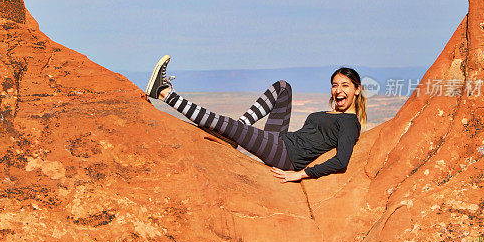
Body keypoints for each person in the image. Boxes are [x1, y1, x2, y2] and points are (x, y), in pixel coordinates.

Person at [145, 56, 366, 183]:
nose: (338, 90)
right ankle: (237, 132)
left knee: (226, 124)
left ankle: (164, 93)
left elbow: (341, 161)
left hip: (285, 155)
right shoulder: (333, 115)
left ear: (357, 90)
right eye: (335, 85)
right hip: (282, 142)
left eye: (345, 85)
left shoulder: (349, 123)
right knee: (283, 87)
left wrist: (300, 174)